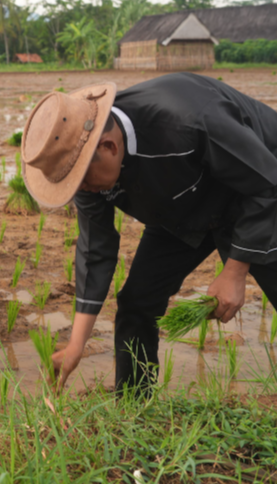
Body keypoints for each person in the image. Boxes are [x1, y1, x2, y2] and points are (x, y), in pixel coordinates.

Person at [21, 73, 277, 391]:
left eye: (82, 180)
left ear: (109, 146)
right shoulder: (84, 171)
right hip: (182, 204)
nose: (82, 189)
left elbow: (266, 184)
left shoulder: (191, 120)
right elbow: (95, 250)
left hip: (258, 192)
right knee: (137, 302)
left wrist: (235, 272)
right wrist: (76, 344)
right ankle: (133, 404)